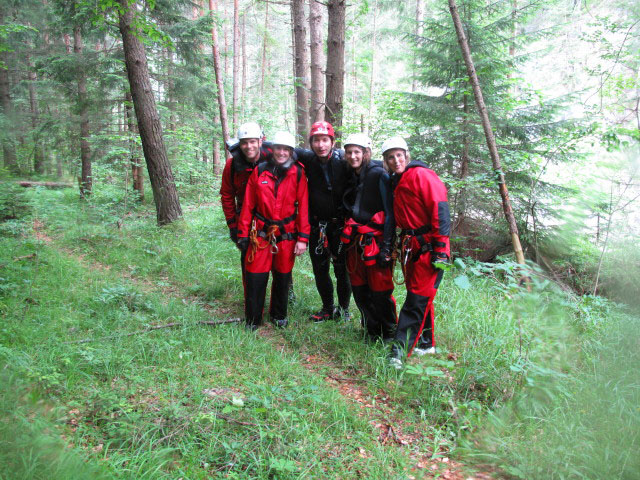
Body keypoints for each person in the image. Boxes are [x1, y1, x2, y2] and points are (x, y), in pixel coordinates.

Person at [381, 136, 451, 369]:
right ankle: (425, 343)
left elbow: (440, 208)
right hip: (413, 245)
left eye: (399, 155)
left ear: (406, 156)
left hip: (430, 247)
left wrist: (440, 250)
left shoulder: (421, 175)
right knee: (419, 295)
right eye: (390, 157)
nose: (395, 160)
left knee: (416, 300)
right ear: (386, 161)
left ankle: (398, 353)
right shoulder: (397, 180)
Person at [236, 131, 310, 330]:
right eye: (279, 148)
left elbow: (303, 207)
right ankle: (253, 318)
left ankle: (279, 314)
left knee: (283, 275)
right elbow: (248, 206)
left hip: (287, 235)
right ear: (272, 149)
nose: (282, 152)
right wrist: (242, 234)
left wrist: (303, 238)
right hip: (261, 233)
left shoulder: (299, 174)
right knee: (255, 275)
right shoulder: (260, 172)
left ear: (291, 152)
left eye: (286, 149)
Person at [340, 133, 397, 342]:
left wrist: (387, 247)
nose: (353, 156)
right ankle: (371, 330)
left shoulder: (378, 174)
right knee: (359, 287)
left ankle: (389, 332)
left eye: (357, 152)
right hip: (356, 242)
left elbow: (390, 212)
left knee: (380, 289)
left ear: (366, 153)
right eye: (349, 152)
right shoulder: (351, 175)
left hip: (376, 241)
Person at [295, 121, 352, 322]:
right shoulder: (308, 159)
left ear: (332, 141)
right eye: (316, 140)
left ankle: (344, 309)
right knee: (320, 268)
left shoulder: (344, 160)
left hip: (340, 225)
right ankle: (328, 308)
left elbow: (369, 165)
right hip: (317, 225)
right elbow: (279, 149)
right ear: (311, 143)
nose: (321, 145)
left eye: (325, 140)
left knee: (342, 269)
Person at [220, 122, 272, 282]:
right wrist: (232, 225)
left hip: (271, 214)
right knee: (248, 256)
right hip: (245, 218)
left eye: (252, 142)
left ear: (260, 141)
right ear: (240, 144)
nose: (249, 146)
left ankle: (286, 291)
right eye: (244, 142)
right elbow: (227, 195)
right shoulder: (232, 165)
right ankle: (251, 295)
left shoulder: (273, 159)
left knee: (278, 257)